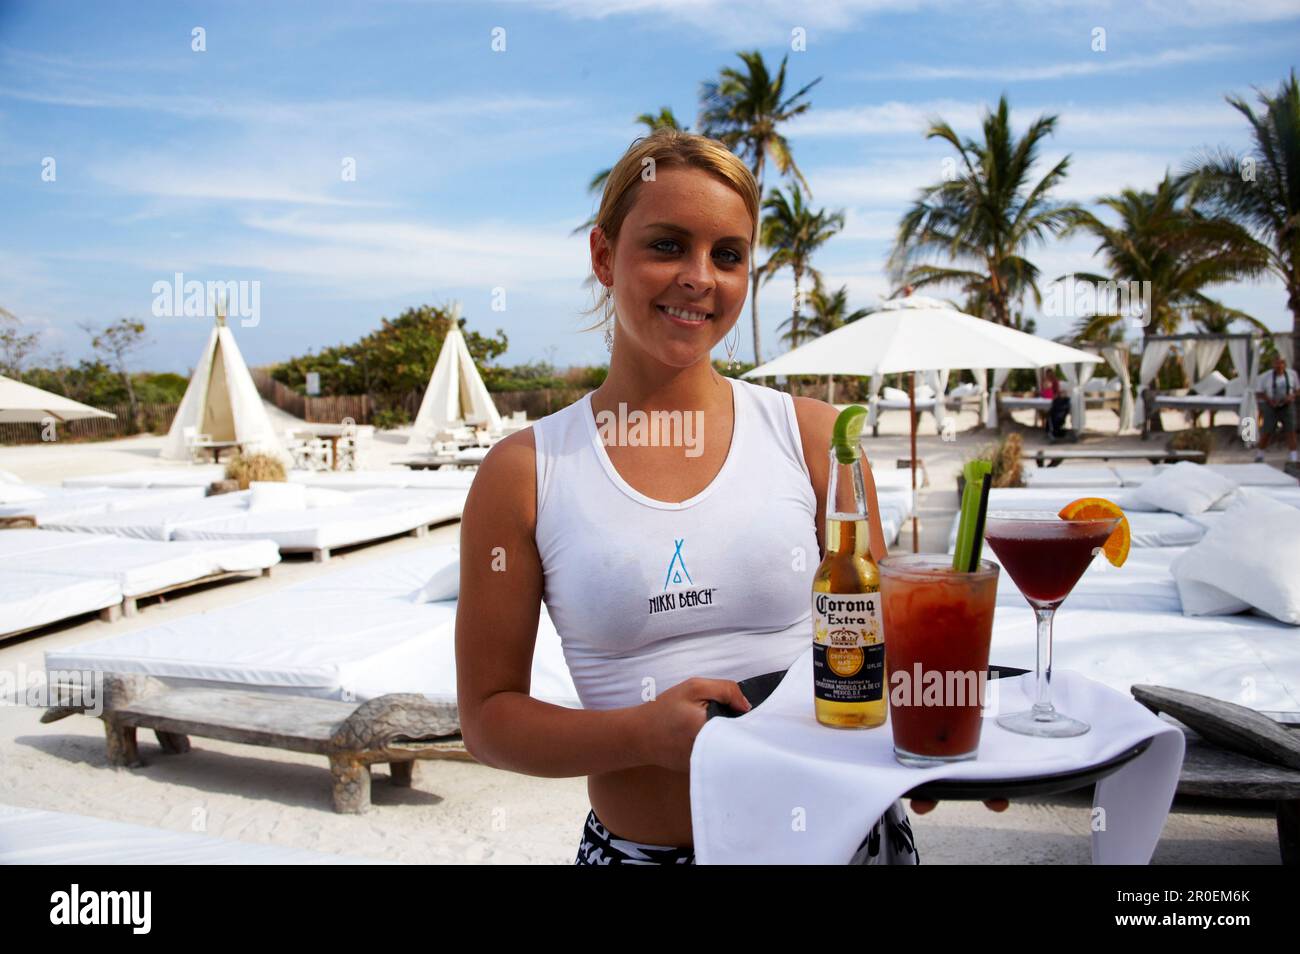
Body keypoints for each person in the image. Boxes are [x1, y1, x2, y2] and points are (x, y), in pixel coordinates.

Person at [454, 129, 1008, 866]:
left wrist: (951, 731)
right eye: (665, 246)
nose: (699, 277)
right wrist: (639, 735)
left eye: (727, 255)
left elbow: (884, 648)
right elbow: (489, 722)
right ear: (602, 256)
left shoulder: (816, 441)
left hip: (847, 847)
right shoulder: (525, 471)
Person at [1254, 353, 1298, 464]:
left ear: (1285, 364)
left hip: (1287, 405)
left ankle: (1294, 457)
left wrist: (1291, 396)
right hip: (1271, 405)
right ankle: (1260, 455)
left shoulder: (1292, 375)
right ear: (1273, 364)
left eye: (1281, 363)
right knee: (1267, 431)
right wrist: (1269, 400)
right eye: (1277, 363)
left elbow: (1297, 389)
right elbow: (1259, 392)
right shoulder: (1265, 377)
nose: (1279, 365)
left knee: (1291, 431)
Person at [1039, 369, 1073, 442]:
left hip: (1055, 402)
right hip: (1051, 401)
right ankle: (1047, 426)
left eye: (1050, 374)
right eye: (1047, 374)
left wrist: (1054, 395)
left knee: (1053, 413)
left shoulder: (1055, 381)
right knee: (1048, 412)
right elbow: (1043, 392)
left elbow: (1057, 392)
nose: (1049, 375)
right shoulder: (1045, 382)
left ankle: (1052, 429)